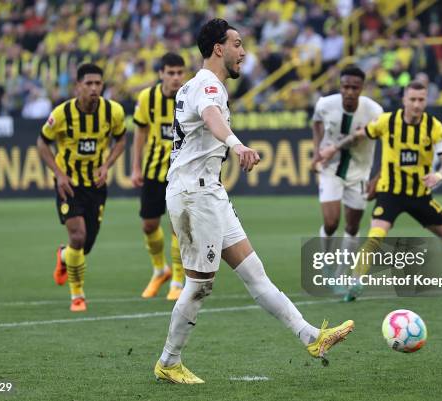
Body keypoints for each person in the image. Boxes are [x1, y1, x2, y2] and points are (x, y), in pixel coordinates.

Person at [154, 18, 354, 385]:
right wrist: (238, 145)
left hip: (208, 192)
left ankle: (313, 338)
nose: (243, 52)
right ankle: (169, 361)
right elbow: (213, 117)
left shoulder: (194, 86)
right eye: (237, 44)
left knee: (255, 274)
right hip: (195, 195)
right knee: (199, 285)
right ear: (219, 48)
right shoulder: (209, 87)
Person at [320, 80, 442, 301]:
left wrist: (439, 175)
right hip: (390, 194)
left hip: (420, 195)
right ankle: (354, 284)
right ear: (404, 100)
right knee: (375, 237)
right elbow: (358, 136)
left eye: (421, 100)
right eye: (413, 100)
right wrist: (334, 147)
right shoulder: (387, 122)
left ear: (426, 100)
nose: (417, 105)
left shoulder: (434, 127)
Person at [37, 63, 127, 312]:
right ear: (78, 86)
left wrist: (107, 165)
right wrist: (59, 175)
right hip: (70, 185)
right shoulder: (62, 114)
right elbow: (42, 143)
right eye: (88, 83)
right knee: (77, 235)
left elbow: (121, 139)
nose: (94, 88)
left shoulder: (113, 112)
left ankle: (64, 255)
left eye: (98, 83)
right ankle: (77, 296)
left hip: (96, 186)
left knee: (84, 246)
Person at [311, 66, 383, 284]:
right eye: (346, 87)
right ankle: (326, 262)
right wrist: (316, 152)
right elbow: (316, 123)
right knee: (331, 222)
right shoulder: (325, 104)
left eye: (355, 87)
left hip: (360, 172)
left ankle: (342, 274)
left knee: (352, 226)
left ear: (362, 89)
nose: (350, 91)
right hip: (330, 170)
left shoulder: (375, 111)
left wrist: (378, 176)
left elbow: (388, 143)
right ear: (340, 87)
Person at [131, 53, 186, 301]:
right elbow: (140, 133)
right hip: (153, 170)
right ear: (161, 73)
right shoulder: (147, 97)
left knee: (177, 226)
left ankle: (177, 279)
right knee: (149, 224)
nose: (175, 78)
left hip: (181, 171)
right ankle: (159, 270)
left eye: (179, 73)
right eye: (171, 73)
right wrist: (135, 168)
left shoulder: (190, 95)